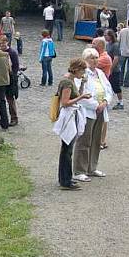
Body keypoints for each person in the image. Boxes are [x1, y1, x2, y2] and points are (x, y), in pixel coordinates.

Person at [72, 48, 112, 182]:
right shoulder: (82, 75)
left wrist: (106, 101)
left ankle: (92, 167)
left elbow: (108, 89)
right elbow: (80, 94)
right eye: (91, 58)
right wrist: (96, 105)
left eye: (96, 57)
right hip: (88, 111)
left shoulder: (100, 73)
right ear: (85, 59)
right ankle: (79, 170)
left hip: (101, 109)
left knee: (96, 140)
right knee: (84, 140)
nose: (95, 60)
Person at [52, 58, 91, 191]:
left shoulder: (71, 80)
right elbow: (65, 102)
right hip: (68, 116)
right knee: (67, 149)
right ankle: (66, 180)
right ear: (76, 69)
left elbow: (76, 95)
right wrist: (81, 97)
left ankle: (65, 178)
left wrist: (81, 86)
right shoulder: (67, 82)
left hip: (71, 114)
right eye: (82, 70)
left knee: (67, 149)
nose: (83, 73)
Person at [0, 35, 20, 126]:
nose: (2, 45)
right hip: (0, 78)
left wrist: (12, 76)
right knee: (0, 99)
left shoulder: (12, 52)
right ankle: (3, 117)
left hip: (10, 79)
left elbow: (16, 66)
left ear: (7, 42)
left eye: (3, 43)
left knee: (10, 99)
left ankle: (14, 118)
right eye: (0, 43)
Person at [105, 30, 125, 111]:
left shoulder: (115, 45)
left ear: (111, 36)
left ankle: (121, 102)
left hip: (115, 69)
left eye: (106, 35)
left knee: (116, 86)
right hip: (108, 68)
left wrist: (111, 69)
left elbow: (116, 58)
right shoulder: (108, 44)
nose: (105, 36)